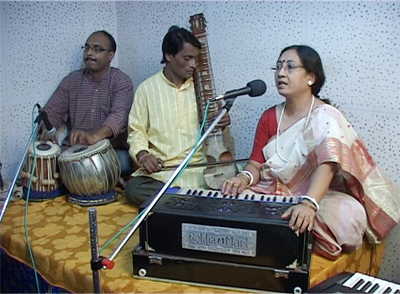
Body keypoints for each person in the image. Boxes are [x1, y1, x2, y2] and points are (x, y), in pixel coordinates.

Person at [221, 45, 400, 260]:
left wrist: (309, 204)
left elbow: (328, 164)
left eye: (290, 67)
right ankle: (288, 232)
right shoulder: (269, 117)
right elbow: (256, 164)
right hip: (273, 191)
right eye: (278, 67)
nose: (280, 73)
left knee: (349, 215)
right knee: (232, 201)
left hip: (316, 196)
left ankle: (285, 230)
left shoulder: (326, 116)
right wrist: (244, 176)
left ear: (311, 77)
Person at [125, 26, 230, 206]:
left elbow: (216, 132)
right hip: (162, 174)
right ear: (169, 55)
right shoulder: (146, 89)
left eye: (195, 59)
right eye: (187, 58)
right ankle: (190, 200)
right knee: (133, 188)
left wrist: (222, 123)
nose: (193, 65)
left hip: (201, 171)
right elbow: (136, 132)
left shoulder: (203, 91)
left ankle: (177, 200)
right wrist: (143, 156)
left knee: (233, 179)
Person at [42, 30, 134, 176]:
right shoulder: (72, 80)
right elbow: (53, 111)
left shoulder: (121, 81)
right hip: (75, 150)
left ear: (110, 55)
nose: (89, 53)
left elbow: (119, 116)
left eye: (97, 49)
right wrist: (47, 130)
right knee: (46, 164)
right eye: (87, 48)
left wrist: (94, 137)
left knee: (123, 162)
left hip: (109, 150)